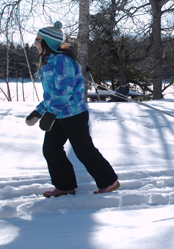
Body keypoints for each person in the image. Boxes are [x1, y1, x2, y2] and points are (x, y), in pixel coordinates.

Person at [25, 22, 120, 198]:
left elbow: (65, 90)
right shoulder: (49, 60)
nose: (35, 43)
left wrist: (51, 113)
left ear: (48, 42)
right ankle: (65, 186)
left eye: (38, 39)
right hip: (59, 113)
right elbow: (51, 94)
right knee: (51, 149)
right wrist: (39, 112)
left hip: (73, 114)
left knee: (83, 149)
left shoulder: (62, 60)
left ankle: (109, 182)